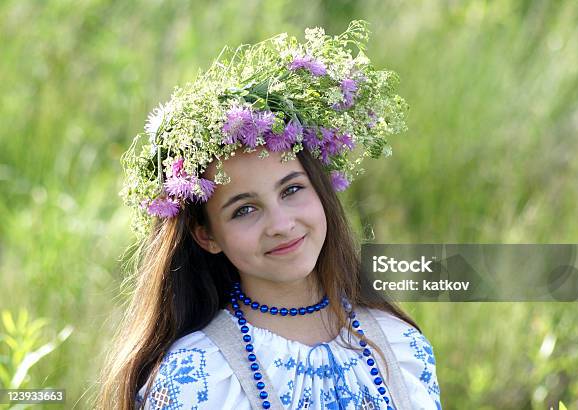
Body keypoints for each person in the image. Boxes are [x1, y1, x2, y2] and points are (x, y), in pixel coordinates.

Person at [97, 20, 441, 410]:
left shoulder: (399, 344)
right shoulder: (196, 375)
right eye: (244, 210)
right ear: (206, 235)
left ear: (321, 189)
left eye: (292, 190)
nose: (280, 224)